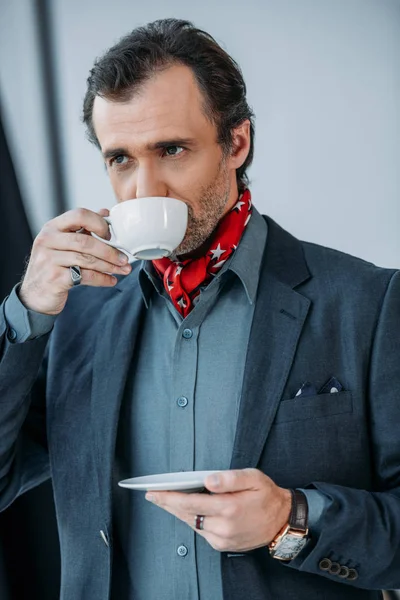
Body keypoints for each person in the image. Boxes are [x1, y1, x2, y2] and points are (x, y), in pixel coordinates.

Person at [0, 17, 399, 600]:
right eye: (121, 159)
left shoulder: (368, 303)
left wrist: (291, 522)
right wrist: (26, 310)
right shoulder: (74, 318)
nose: (145, 190)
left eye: (171, 149)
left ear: (236, 143)